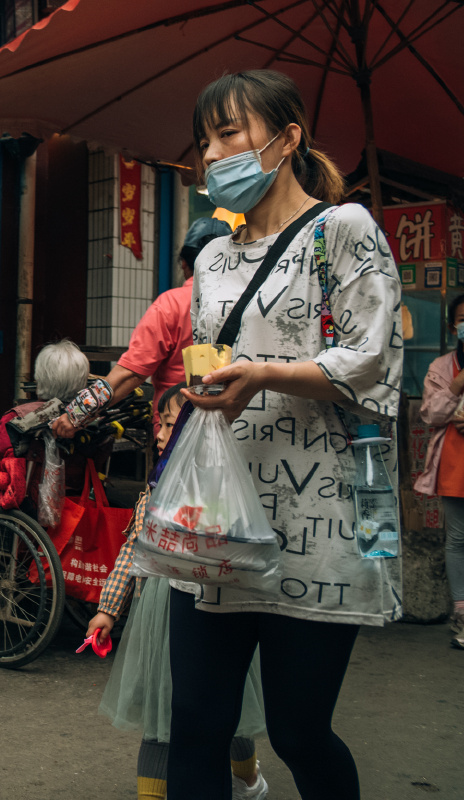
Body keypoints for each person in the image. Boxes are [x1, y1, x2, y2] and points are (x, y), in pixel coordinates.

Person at [167, 70, 402, 799]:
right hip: (218, 521)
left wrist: (264, 374)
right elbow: (215, 361)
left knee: (299, 730)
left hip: (319, 522)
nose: (212, 154)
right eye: (205, 141)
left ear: (287, 137)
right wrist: (200, 393)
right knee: (196, 724)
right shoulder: (211, 258)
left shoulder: (345, 229)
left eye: (228, 133)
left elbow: (370, 360)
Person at [89, 384, 268, 800]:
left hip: (211, 615)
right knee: (160, 714)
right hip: (156, 621)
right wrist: (107, 610)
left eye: (170, 424)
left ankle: (248, 779)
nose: (159, 433)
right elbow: (133, 551)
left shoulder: (223, 488)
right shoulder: (154, 488)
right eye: (160, 424)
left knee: (225, 709)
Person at [51, 217, 232, 440]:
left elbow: (130, 374)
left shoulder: (171, 304)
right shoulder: (249, 306)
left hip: (175, 431)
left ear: (185, 263)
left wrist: (77, 414)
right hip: (235, 430)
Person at [0, 338, 89, 481]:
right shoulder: (88, 419)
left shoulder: (18, 418)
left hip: (27, 493)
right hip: (79, 491)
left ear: (39, 377)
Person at [413, 293, 464, 649]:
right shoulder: (442, 367)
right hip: (454, 463)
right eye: (462, 320)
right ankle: (462, 613)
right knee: (458, 540)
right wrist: (458, 384)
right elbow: (431, 414)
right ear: (451, 327)